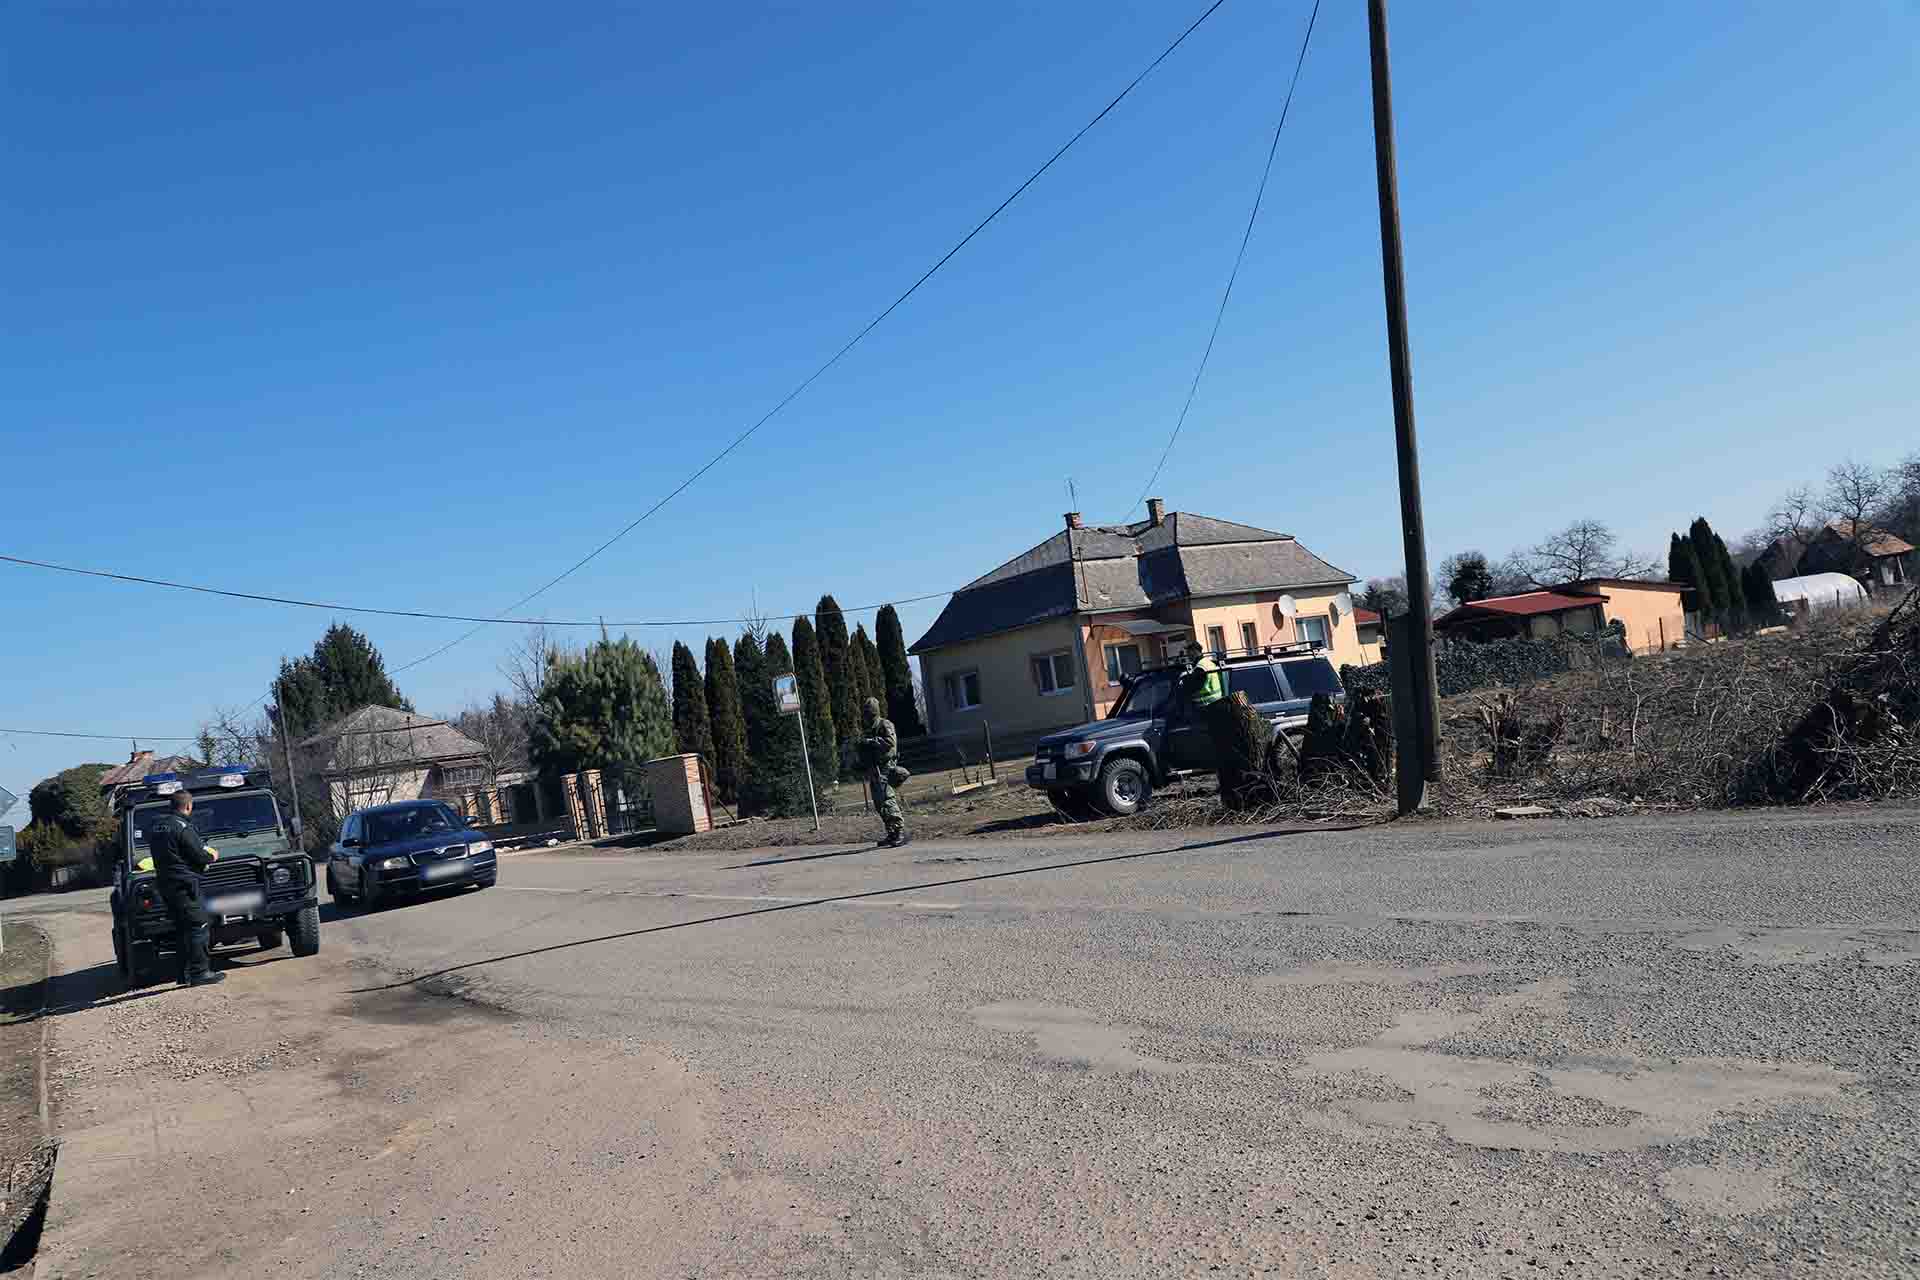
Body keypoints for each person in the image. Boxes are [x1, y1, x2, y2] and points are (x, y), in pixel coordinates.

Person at [146, 789, 225, 987]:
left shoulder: (157, 827)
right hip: (184, 884)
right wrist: (212, 856)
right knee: (199, 925)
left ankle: (183, 974)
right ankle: (200, 973)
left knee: (182, 929)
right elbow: (199, 855)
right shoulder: (182, 827)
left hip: (165, 884)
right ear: (188, 806)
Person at [855, 697, 910, 848]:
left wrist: (873, 741)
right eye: (865, 712)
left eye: (869, 712)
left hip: (885, 768)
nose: (867, 715)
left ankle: (900, 831)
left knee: (887, 799)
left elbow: (891, 744)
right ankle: (891, 832)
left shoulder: (884, 724)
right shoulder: (868, 728)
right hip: (873, 769)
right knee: (880, 803)